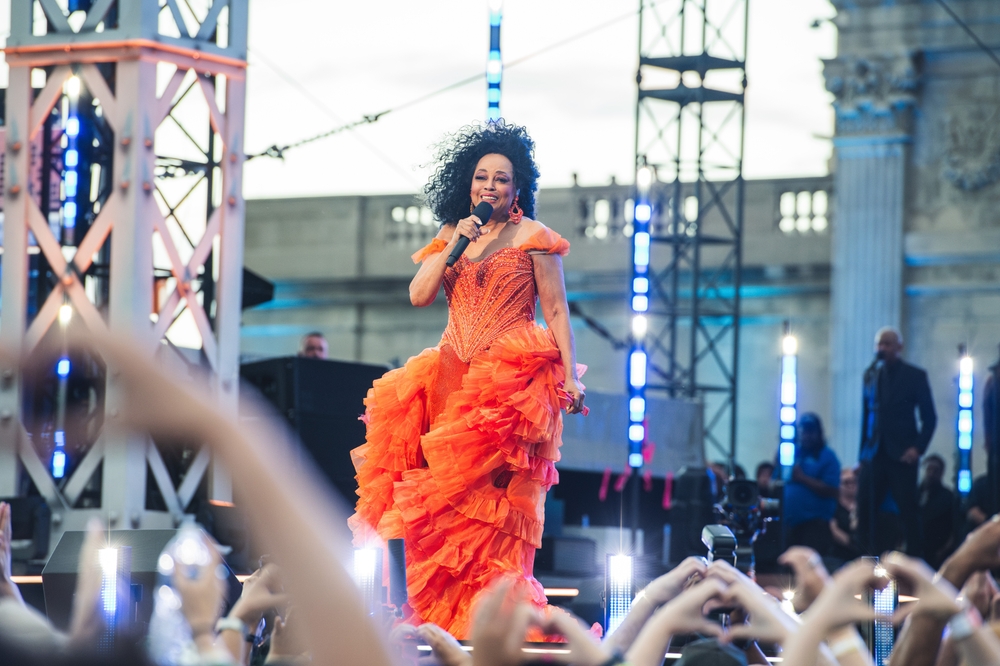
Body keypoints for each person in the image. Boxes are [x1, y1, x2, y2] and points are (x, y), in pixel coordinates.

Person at [348, 121, 586, 638]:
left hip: (505, 387)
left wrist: (570, 376)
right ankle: (434, 624)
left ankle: (489, 624)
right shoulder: (452, 235)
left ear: (518, 188)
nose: (490, 187)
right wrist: (455, 239)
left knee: (489, 511)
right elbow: (418, 295)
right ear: (468, 183)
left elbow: (557, 312)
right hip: (448, 377)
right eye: (482, 177)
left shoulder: (536, 240)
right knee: (437, 508)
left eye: (502, 178)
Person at [857, 326, 937, 557]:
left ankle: (914, 563)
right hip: (874, 454)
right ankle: (866, 563)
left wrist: (917, 448)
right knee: (865, 511)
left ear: (899, 347)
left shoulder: (915, 376)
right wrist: (861, 456)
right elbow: (866, 417)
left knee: (908, 512)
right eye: (879, 344)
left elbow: (930, 418)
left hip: (902, 455)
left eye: (887, 344)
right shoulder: (871, 376)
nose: (882, 349)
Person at [782, 413, 840, 556]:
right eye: (803, 432)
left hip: (815, 526)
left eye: (810, 432)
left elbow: (832, 489)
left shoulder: (828, 456)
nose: (806, 436)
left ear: (819, 433)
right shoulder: (792, 453)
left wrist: (803, 478)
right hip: (788, 523)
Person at [919, 453, 955, 569]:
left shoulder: (948, 497)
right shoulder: (915, 494)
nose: (931, 473)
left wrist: (943, 550)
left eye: (935, 470)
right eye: (929, 469)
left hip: (937, 552)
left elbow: (954, 527)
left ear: (941, 473)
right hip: (916, 550)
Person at [829, 466, 860, 563]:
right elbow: (834, 530)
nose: (851, 485)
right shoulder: (833, 506)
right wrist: (852, 543)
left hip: (862, 555)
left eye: (854, 481)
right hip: (839, 555)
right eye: (846, 482)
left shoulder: (864, 505)